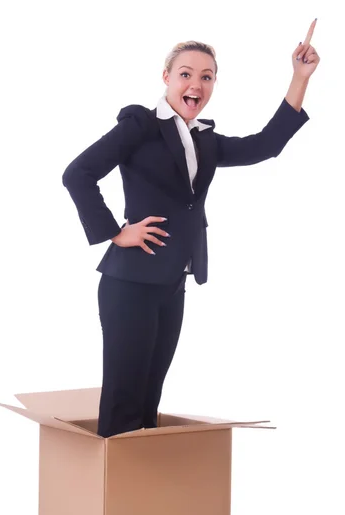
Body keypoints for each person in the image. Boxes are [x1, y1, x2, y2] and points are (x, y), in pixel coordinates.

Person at [62, 22, 320, 438]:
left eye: (206, 76)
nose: (196, 83)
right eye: (186, 73)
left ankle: (143, 497)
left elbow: (264, 146)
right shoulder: (140, 125)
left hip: (171, 282)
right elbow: (78, 173)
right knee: (125, 398)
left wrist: (298, 78)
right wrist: (114, 232)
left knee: (149, 399)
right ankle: (112, 495)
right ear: (167, 78)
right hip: (129, 281)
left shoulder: (205, 141)